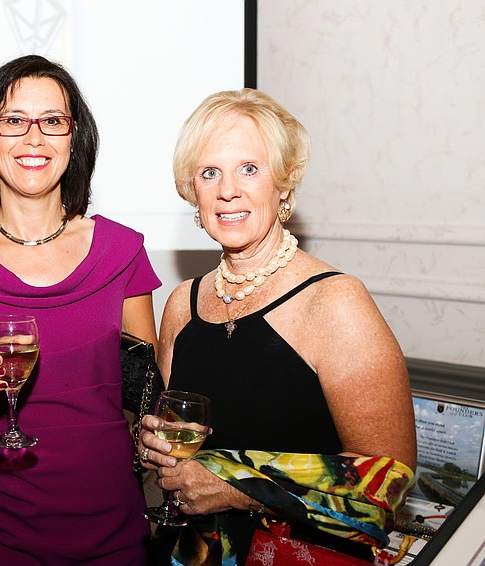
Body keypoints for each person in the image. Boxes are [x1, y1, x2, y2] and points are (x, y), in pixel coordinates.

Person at [138, 89, 417, 565]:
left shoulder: (335, 301)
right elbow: (176, 451)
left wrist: (238, 489)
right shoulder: (182, 304)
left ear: (284, 184)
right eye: (210, 173)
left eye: (249, 168)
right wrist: (156, 455)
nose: (228, 190)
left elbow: (385, 488)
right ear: (194, 191)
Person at [0, 54, 161, 565]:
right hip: (3, 531)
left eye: (53, 121)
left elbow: (146, 396)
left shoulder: (123, 252)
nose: (34, 138)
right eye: (14, 121)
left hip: (115, 525)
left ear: (75, 139)